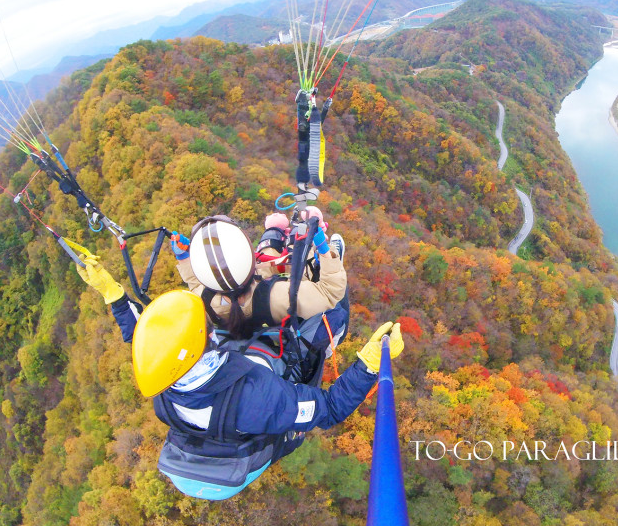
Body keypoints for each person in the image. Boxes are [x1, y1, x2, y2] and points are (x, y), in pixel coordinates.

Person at [75, 254, 403, 499]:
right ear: (202, 347)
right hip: (261, 419)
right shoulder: (257, 398)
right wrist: (368, 364)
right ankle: (326, 337)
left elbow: (143, 338)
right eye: (205, 329)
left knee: (242, 336)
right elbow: (329, 409)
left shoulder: (164, 380)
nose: (209, 326)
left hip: (221, 419)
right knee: (322, 323)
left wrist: (113, 294)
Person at [170, 214, 347, 341]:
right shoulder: (279, 296)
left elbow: (197, 286)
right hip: (282, 320)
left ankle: (276, 234)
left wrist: (184, 259)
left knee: (268, 253)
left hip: (255, 317)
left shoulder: (204, 302)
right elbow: (330, 292)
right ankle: (314, 251)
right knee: (306, 267)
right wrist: (324, 250)